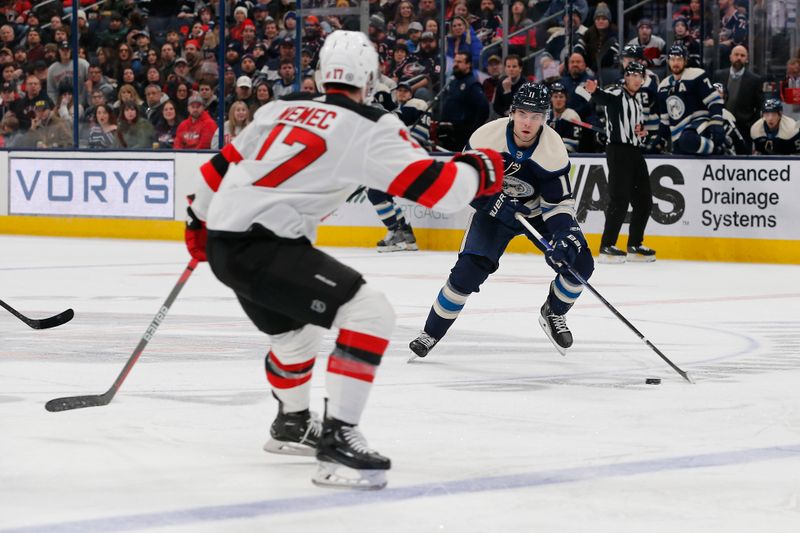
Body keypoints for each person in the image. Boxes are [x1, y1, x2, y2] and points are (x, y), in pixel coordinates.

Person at [184, 31, 505, 490]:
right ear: (371, 78)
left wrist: (195, 222)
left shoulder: (278, 107)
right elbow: (443, 193)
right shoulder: (370, 124)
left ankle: (292, 425)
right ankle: (337, 440)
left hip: (224, 241)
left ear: (320, 73)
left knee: (297, 336)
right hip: (264, 245)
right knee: (370, 312)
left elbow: (218, 165)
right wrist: (481, 168)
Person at [409, 82, 594, 359]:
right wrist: (492, 203)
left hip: (537, 213)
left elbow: (557, 204)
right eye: (522, 114)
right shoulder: (486, 137)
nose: (528, 123)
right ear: (512, 113)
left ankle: (554, 312)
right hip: (492, 214)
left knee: (579, 262)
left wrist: (562, 236)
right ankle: (431, 332)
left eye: (536, 116)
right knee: (467, 272)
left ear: (546, 118)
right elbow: (462, 184)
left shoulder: (553, 149)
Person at [583, 64, 654, 264]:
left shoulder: (638, 101)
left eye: (640, 76)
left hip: (634, 151)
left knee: (644, 201)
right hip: (618, 151)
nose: (637, 79)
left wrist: (642, 132)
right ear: (626, 77)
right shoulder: (617, 92)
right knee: (619, 199)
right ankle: (607, 245)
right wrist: (594, 91)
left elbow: (635, 126)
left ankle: (635, 244)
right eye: (633, 75)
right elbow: (605, 98)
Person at [656, 44, 725, 155]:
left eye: (679, 59)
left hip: (700, 125)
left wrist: (717, 122)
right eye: (672, 59)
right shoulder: (662, 86)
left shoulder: (697, 75)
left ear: (686, 61)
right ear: (668, 61)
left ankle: (718, 150)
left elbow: (714, 100)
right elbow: (665, 120)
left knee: (687, 139)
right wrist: (660, 140)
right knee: (681, 147)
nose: (676, 63)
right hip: (678, 135)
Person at [712, 45, 762, 145]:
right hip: (720, 127)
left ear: (747, 59)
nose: (739, 58)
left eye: (742, 55)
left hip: (743, 130)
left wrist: (751, 126)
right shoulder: (718, 75)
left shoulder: (755, 80)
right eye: (736, 54)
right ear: (730, 57)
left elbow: (759, 106)